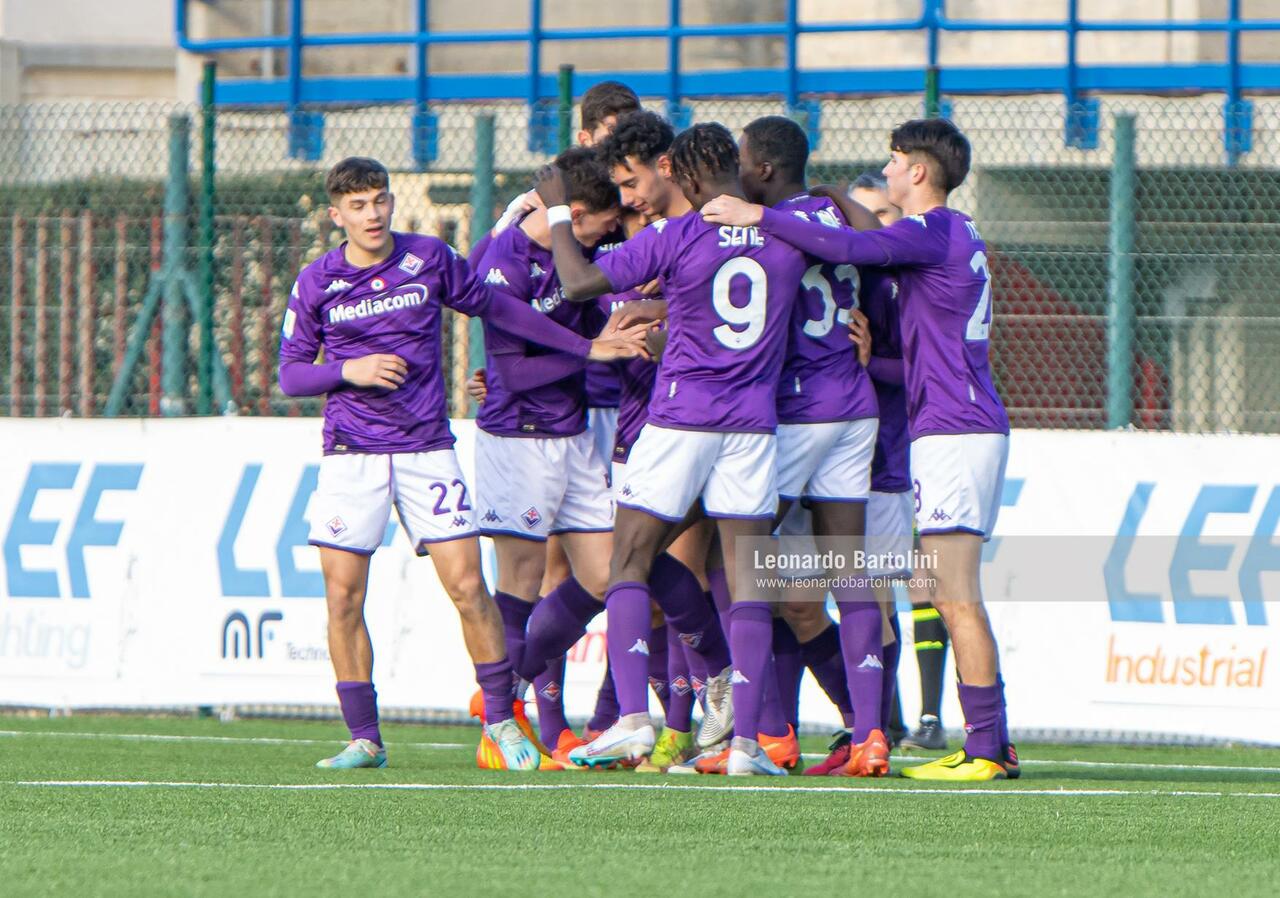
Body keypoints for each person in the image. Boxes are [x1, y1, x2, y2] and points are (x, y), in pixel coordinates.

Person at [278, 156, 645, 771]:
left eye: (380, 201)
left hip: (427, 450)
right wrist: (348, 370)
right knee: (343, 598)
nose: (373, 215)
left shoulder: (428, 258)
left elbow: (501, 311)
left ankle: (501, 722)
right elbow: (292, 373)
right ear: (337, 215)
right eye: (359, 206)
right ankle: (364, 737)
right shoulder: (318, 281)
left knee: (471, 589)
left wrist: (585, 345)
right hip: (351, 456)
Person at [702, 119, 1018, 781]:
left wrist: (758, 215)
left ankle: (987, 747)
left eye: (896, 161)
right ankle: (986, 741)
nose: (890, 171)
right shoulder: (958, 233)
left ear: (920, 173)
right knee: (940, 586)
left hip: (954, 430)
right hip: (964, 421)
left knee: (955, 593)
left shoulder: (929, 231)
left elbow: (846, 244)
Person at [537, 122, 809, 776]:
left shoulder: (676, 233)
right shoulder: (786, 233)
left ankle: (633, 721)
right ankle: (746, 744)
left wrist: (553, 211)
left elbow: (577, 283)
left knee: (629, 557)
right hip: (752, 424)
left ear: (684, 176)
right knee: (747, 580)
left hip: (682, 416)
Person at [472, 146, 623, 769]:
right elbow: (511, 371)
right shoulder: (505, 261)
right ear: (577, 214)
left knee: (607, 575)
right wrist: (592, 352)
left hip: (573, 434)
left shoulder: (578, 256)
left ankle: (497, 696)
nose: (612, 232)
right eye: (606, 223)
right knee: (522, 582)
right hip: (516, 437)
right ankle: (501, 728)